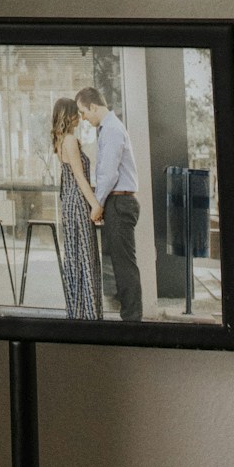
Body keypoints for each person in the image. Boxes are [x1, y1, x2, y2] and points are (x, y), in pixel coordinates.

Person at [76, 84, 144, 323]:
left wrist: (97, 204)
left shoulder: (112, 130)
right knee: (121, 263)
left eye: (83, 112)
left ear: (93, 106)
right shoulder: (109, 128)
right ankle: (131, 317)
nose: (83, 118)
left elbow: (108, 173)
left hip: (119, 201)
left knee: (124, 265)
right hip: (118, 201)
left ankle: (132, 320)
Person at [49, 96, 102, 319]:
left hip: (69, 203)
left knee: (75, 257)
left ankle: (78, 312)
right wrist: (96, 205)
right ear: (69, 116)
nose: (80, 117)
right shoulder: (70, 140)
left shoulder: (61, 140)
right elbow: (80, 178)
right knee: (86, 257)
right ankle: (89, 315)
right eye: (76, 113)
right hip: (78, 203)